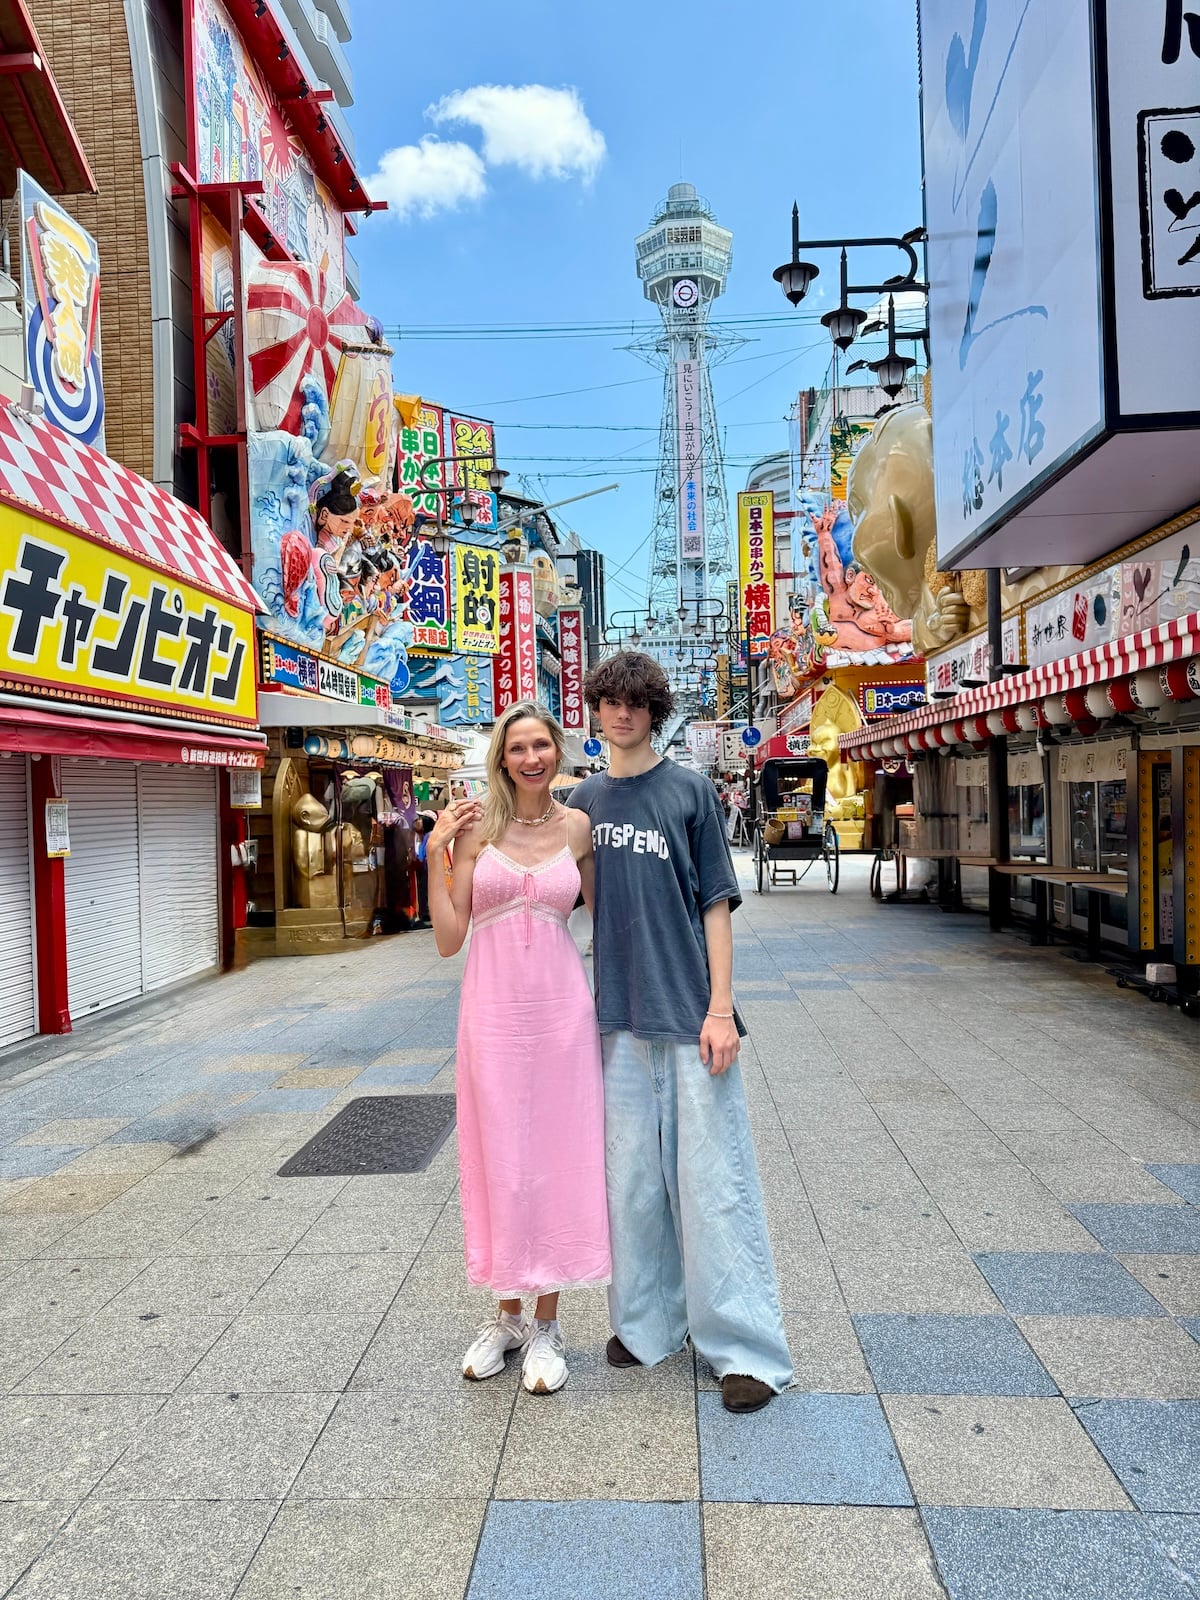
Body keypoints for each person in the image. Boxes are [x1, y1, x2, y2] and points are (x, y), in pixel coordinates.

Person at [569, 651, 792, 1414]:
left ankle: (744, 1349)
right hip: (619, 1020)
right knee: (630, 1183)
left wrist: (722, 1009)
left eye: (636, 702)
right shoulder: (583, 802)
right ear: (595, 711)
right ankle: (646, 1325)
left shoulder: (690, 791)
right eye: (610, 701)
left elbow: (716, 907)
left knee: (712, 1182)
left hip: (694, 1017)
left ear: (653, 711)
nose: (622, 713)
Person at [427, 701, 610, 1395]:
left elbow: (606, 919)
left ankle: (547, 1325)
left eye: (540, 745)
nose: (530, 757)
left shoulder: (579, 828)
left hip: (564, 1018)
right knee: (501, 1161)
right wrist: (436, 851)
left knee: (558, 1161)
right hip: (492, 1019)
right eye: (517, 747)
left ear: (556, 753)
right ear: (502, 758)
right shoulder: (477, 829)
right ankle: (506, 1318)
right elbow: (449, 937)